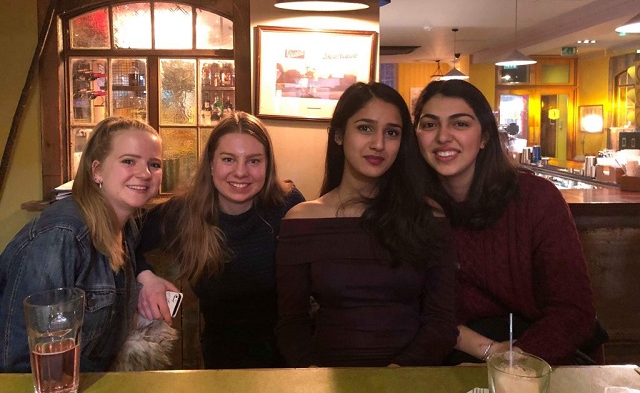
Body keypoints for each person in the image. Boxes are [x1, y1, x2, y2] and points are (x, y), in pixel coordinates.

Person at [412, 79, 604, 365]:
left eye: (460, 124)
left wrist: (513, 363)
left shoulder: (535, 198)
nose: (443, 136)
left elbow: (572, 310)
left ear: (485, 137)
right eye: (429, 125)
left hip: (541, 354)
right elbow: (406, 306)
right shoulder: (410, 206)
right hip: (451, 353)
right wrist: (486, 350)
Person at [275, 82, 458, 367]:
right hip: (326, 378)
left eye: (392, 133)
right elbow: (291, 323)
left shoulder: (428, 217)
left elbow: (441, 322)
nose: (378, 144)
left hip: (410, 378)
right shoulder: (302, 221)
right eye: (365, 128)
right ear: (338, 134)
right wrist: (312, 374)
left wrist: (397, 373)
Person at [135, 112, 305, 369]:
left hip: (292, 356)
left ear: (268, 165)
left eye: (254, 161)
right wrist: (145, 276)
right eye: (228, 159)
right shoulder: (183, 211)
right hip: (221, 358)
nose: (240, 172)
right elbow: (121, 243)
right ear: (211, 164)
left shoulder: (288, 204)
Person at [0, 117, 163, 372]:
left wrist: (145, 274)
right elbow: (19, 362)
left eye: (154, 164)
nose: (144, 173)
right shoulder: (61, 235)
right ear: (97, 170)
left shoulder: (126, 225)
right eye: (128, 161)